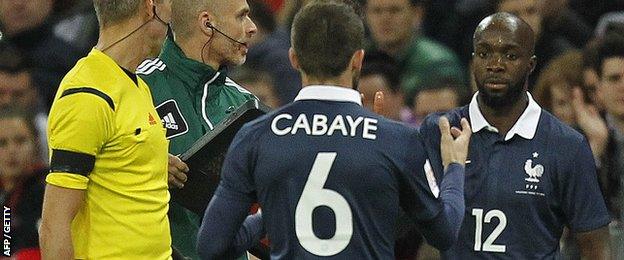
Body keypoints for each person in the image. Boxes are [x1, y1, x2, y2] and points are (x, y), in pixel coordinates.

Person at [197, 0, 472, 258]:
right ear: (358, 60)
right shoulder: (398, 139)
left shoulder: (255, 136)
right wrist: (454, 168)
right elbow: (445, 233)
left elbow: (211, 247)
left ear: (294, 59)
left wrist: (265, 218)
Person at [419, 12, 611, 259]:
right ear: (473, 60)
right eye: (484, 53)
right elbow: (411, 226)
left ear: (530, 65)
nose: (495, 64)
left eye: (510, 55)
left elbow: (595, 246)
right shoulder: (440, 131)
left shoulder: (567, 146)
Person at [38, 0, 173, 259]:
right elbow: (54, 224)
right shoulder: (88, 93)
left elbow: (115, 161)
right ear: (151, 7)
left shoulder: (136, 85)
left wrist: (153, 160)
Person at [136, 0, 258, 259]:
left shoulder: (248, 107)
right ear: (207, 23)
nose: (252, 28)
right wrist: (143, 165)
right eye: (241, 17)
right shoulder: (136, 88)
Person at [364, 0, 465, 106]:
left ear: (417, 14)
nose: (385, 19)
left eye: (395, 10)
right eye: (376, 11)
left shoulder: (439, 64)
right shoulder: (356, 56)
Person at [0, 107, 46, 259]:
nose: (11, 150)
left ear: (36, 143)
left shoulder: (48, 188)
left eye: (20, 141)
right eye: (2, 143)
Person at [594, 34, 624, 259]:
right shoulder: (580, 139)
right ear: (599, 89)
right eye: (614, 79)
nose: (623, 86)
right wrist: (596, 149)